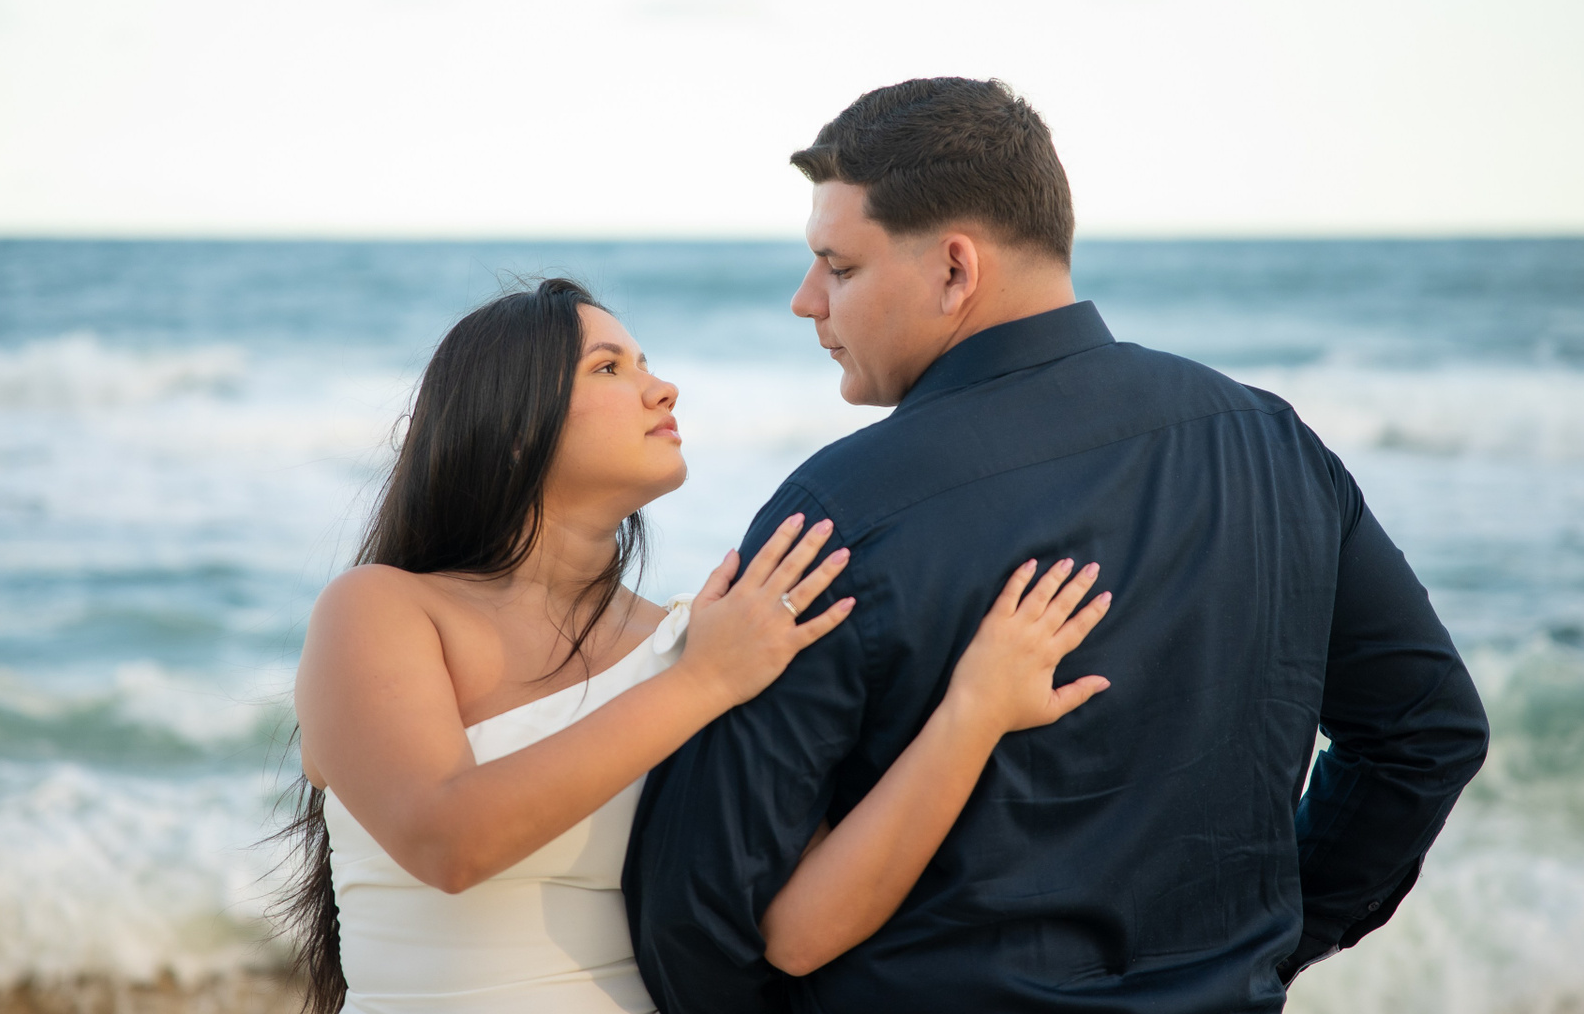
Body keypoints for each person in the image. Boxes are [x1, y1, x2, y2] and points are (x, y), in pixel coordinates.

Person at [626, 78, 1492, 1013]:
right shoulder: (1271, 443)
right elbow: (1426, 732)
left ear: (954, 269)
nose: (806, 302)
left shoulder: (838, 515)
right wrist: (1265, 948)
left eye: (838, 267)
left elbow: (699, 909)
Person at [275, 277, 1116, 1014]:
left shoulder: (703, 638)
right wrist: (702, 683)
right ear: (513, 425)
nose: (663, 388)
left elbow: (799, 930)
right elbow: (445, 841)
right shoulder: (379, 610)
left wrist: (971, 713)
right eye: (610, 369)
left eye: (645, 363)